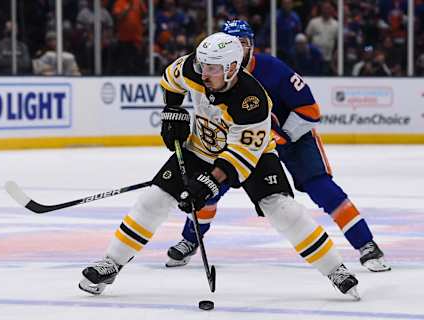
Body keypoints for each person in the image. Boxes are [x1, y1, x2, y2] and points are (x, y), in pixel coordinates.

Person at [78, 32, 359, 299]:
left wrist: (208, 183)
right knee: (154, 199)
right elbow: (169, 81)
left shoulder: (252, 102)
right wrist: (173, 111)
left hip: (255, 156)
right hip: (200, 148)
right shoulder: (192, 68)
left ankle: (335, 268)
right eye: (203, 65)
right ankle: (112, 264)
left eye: (212, 68)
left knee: (281, 209)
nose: (203, 73)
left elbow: (241, 154)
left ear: (232, 67)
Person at [167, 20, 391, 273]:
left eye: (243, 44)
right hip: (243, 142)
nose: (238, 51)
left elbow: (310, 110)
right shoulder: (210, 73)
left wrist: (281, 135)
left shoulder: (274, 69)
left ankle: (366, 244)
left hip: (292, 139)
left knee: (321, 188)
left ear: (251, 46)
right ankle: (190, 239)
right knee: (209, 187)